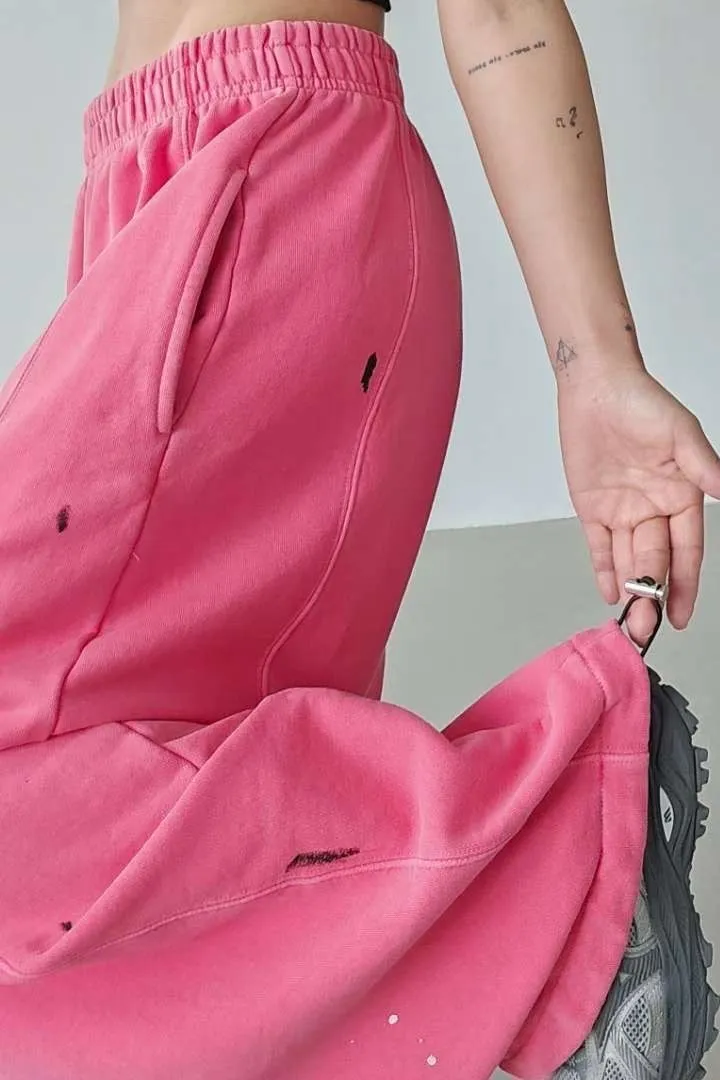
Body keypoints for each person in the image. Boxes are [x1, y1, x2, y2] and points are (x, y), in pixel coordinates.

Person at [0, 1, 717, 1078]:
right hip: (148, 190)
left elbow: (498, 8)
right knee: (144, 899)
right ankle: (560, 936)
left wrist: (596, 366)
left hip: (271, 175)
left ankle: (569, 880)